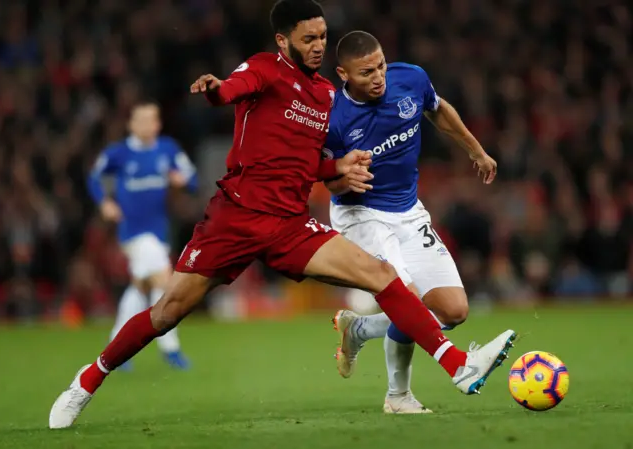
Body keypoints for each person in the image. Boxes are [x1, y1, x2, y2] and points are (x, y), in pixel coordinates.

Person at [49, 0, 515, 429]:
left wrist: (338, 167)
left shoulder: (323, 96)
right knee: (167, 312)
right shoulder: (264, 69)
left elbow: (304, 163)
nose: (317, 47)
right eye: (308, 39)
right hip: (235, 217)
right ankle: (87, 380)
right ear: (282, 40)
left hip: (290, 224)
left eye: (321, 38)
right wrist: (215, 90)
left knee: (380, 275)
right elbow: (233, 89)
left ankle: (458, 366)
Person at [325, 31, 499, 414]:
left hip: (408, 210)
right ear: (343, 74)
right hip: (361, 215)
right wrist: (341, 179)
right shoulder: (333, 117)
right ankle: (398, 397)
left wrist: (477, 151)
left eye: (381, 65)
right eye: (366, 71)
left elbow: (437, 109)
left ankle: (360, 329)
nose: (378, 77)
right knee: (408, 295)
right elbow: (324, 175)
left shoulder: (411, 79)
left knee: (453, 311)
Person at [87, 101, 196, 370]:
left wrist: (182, 180)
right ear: (132, 125)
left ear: (158, 124)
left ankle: (116, 347)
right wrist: (104, 202)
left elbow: (192, 177)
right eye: (142, 120)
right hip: (133, 231)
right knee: (165, 280)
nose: (149, 125)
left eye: (153, 120)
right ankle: (171, 348)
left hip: (159, 230)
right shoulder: (119, 154)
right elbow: (94, 177)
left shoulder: (168, 149)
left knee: (141, 285)